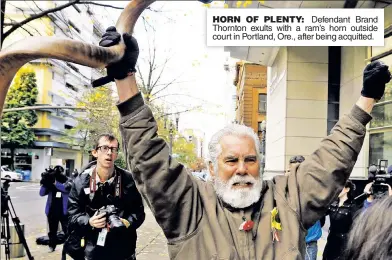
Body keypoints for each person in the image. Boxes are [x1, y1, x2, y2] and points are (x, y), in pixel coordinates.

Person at [98, 26, 391, 259]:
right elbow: (150, 160)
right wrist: (124, 78)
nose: (242, 169)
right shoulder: (190, 207)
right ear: (212, 169)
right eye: (231, 160)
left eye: (250, 160)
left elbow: (331, 160)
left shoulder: (287, 199)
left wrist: (366, 99)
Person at [66, 133, 145, 260]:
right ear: (95, 152)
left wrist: (127, 222)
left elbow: (139, 212)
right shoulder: (81, 181)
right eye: (104, 148)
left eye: (113, 149)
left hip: (122, 249)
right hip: (90, 249)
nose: (109, 153)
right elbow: (71, 216)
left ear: (116, 154)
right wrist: (89, 221)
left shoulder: (128, 180)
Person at [39, 165, 71, 259]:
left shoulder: (67, 180)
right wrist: (46, 182)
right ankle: (52, 246)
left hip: (63, 211)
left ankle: (68, 248)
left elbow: (66, 189)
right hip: (52, 211)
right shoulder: (50, 182)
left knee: (67, 230)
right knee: (52, 231)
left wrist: (55, 182)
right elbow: (41, 193)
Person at [322, 180, 356, 260]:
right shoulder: (332, 204)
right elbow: (320, 214)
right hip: (331, 239)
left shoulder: (352, 206)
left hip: (344, 242)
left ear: (347, 189)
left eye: (340, 187)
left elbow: (355, 226)